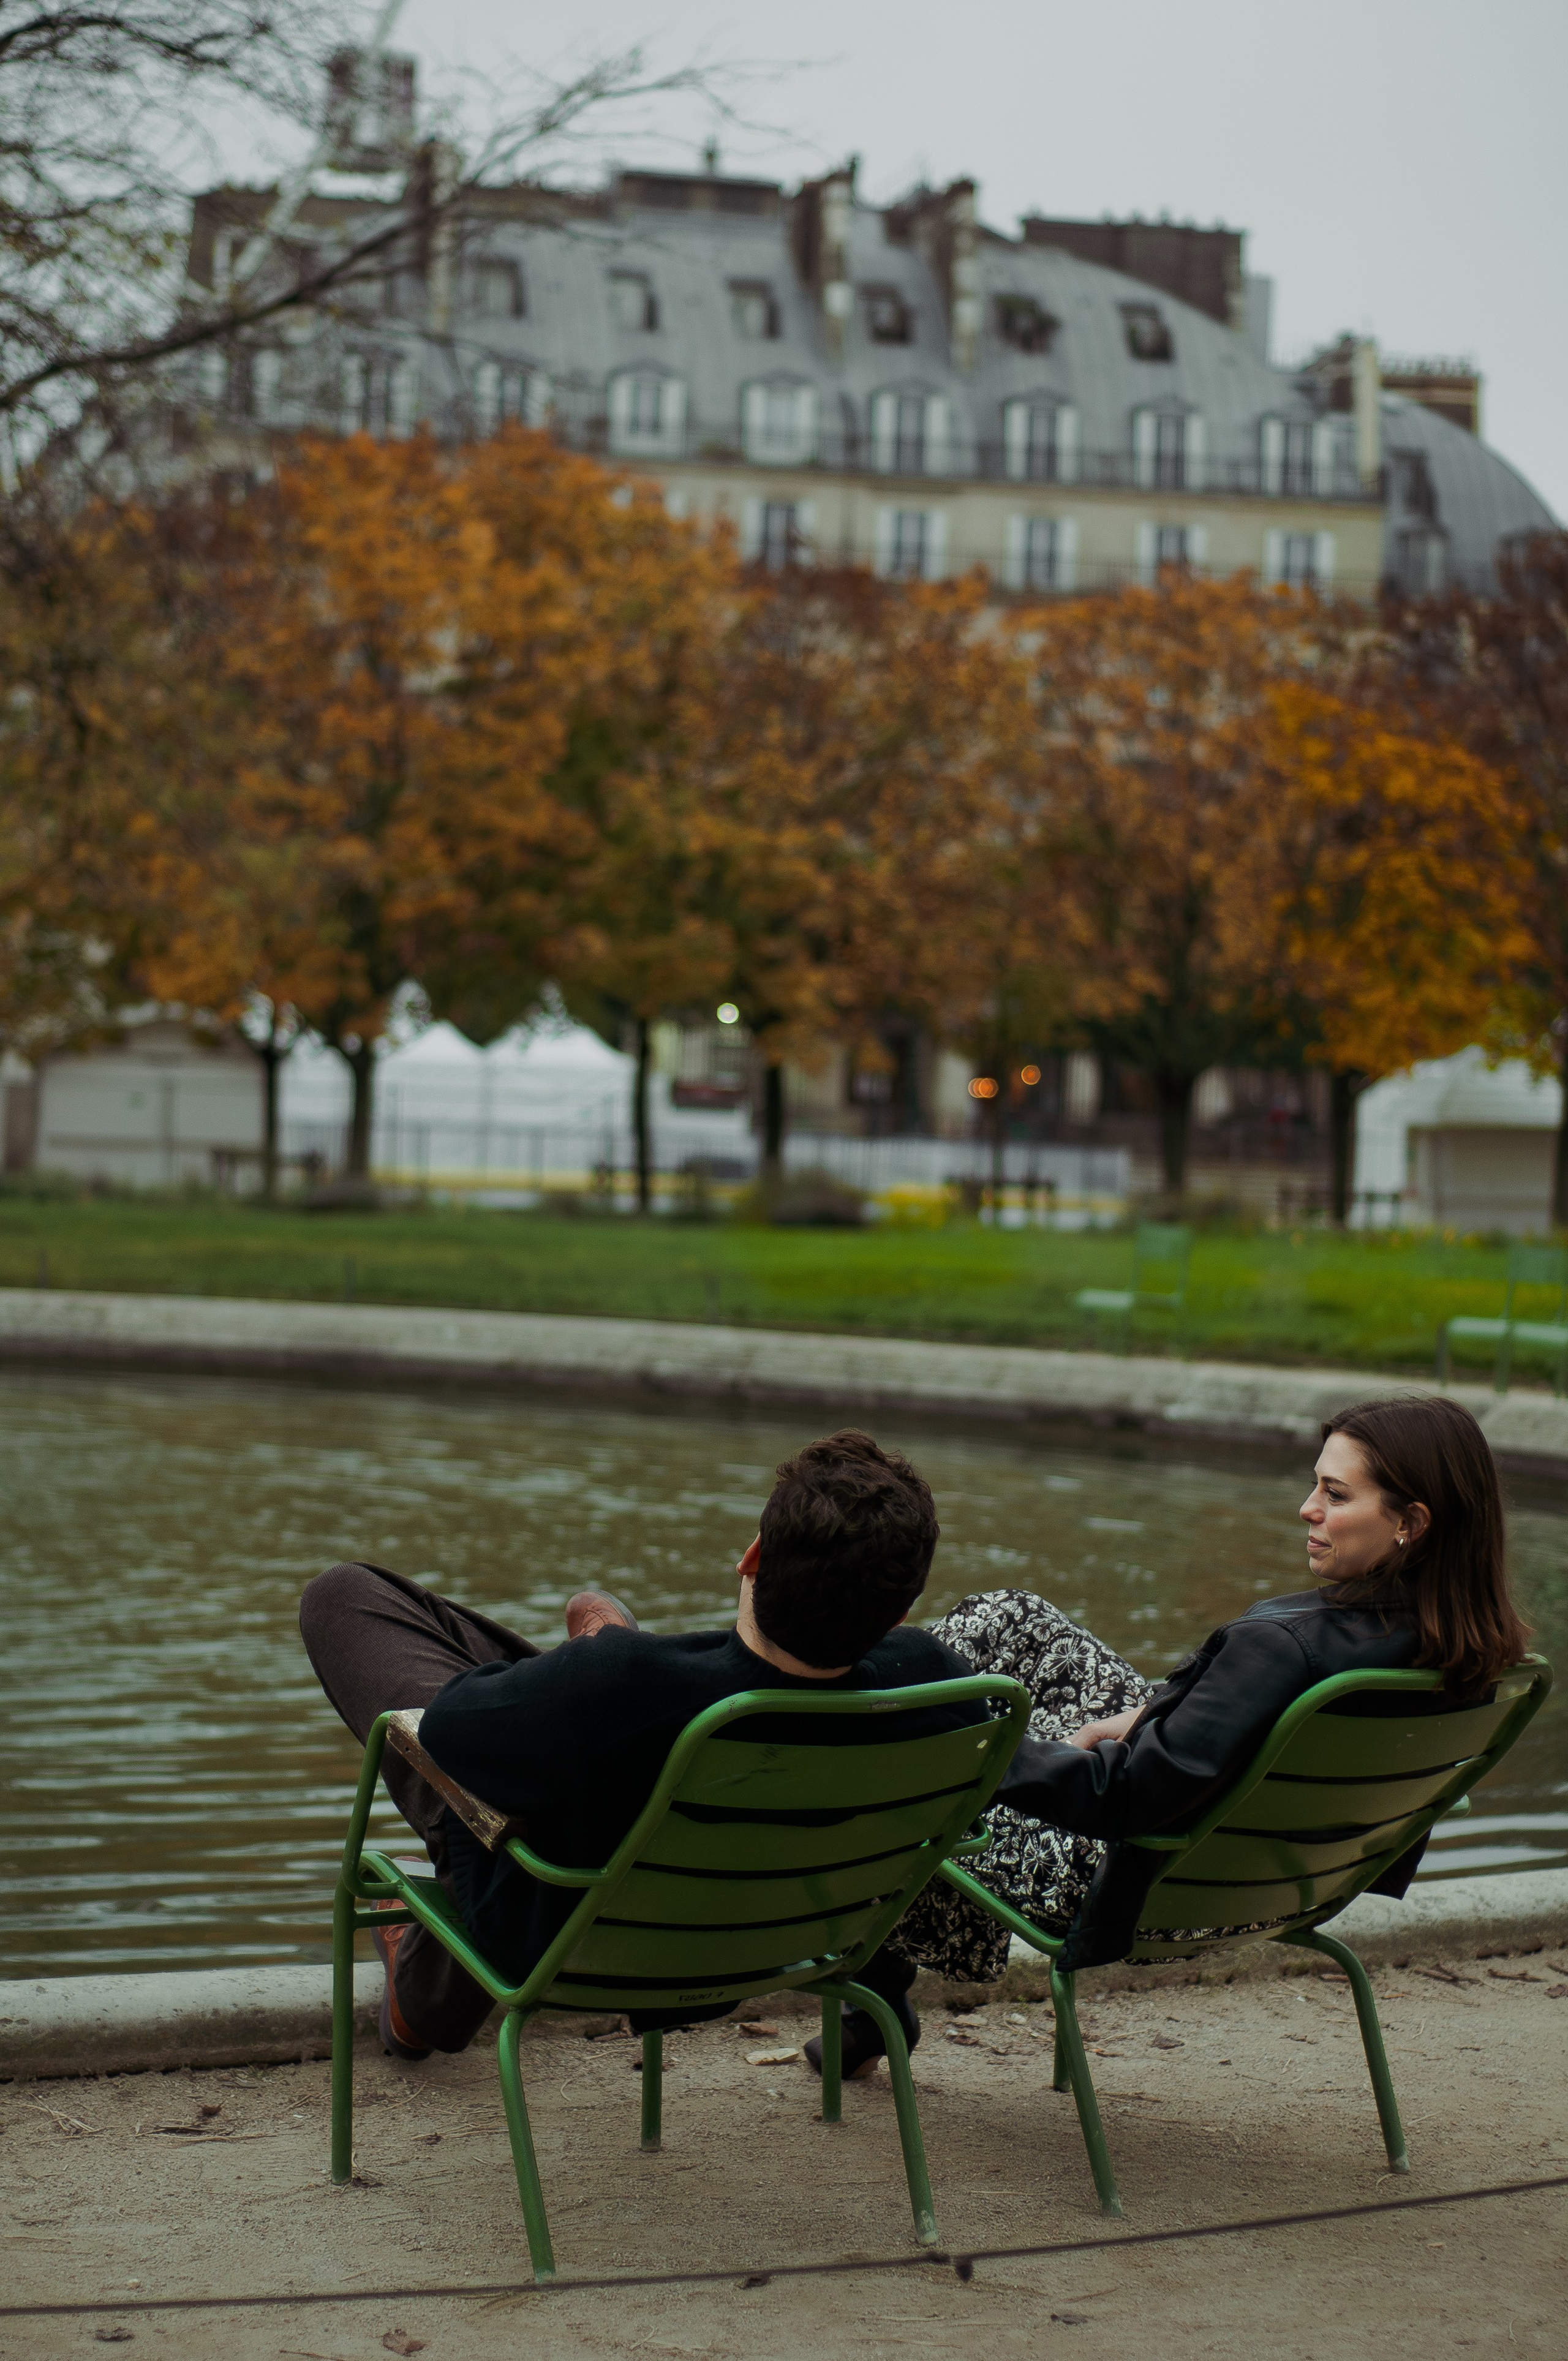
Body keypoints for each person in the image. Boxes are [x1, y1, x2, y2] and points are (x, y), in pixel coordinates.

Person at [299, 1428, 982, 2065]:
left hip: (559, 1937)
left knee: (344, 1597)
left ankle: (432, 2002)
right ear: (897, 1613)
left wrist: (601, 1661)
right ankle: (568, 1684)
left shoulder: (632, 1684)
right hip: (759, 1947)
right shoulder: (937, 1685)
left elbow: (447, 1735)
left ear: (753, 1558)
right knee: (599, 1727)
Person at [880, 1393, 1532, 2027]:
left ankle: (874, 1995)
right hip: (1277, 1886)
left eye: (1335, 1495)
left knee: (908, 1742)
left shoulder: (1280, 1651)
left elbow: (1126, 1799)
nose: (1307, 1509)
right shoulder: (1469, 1649)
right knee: (1012, 1620)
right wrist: (1162, 1713)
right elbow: (1258, 1745)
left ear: (1409, 1523)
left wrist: (976, 1752)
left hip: (1136, 1885)